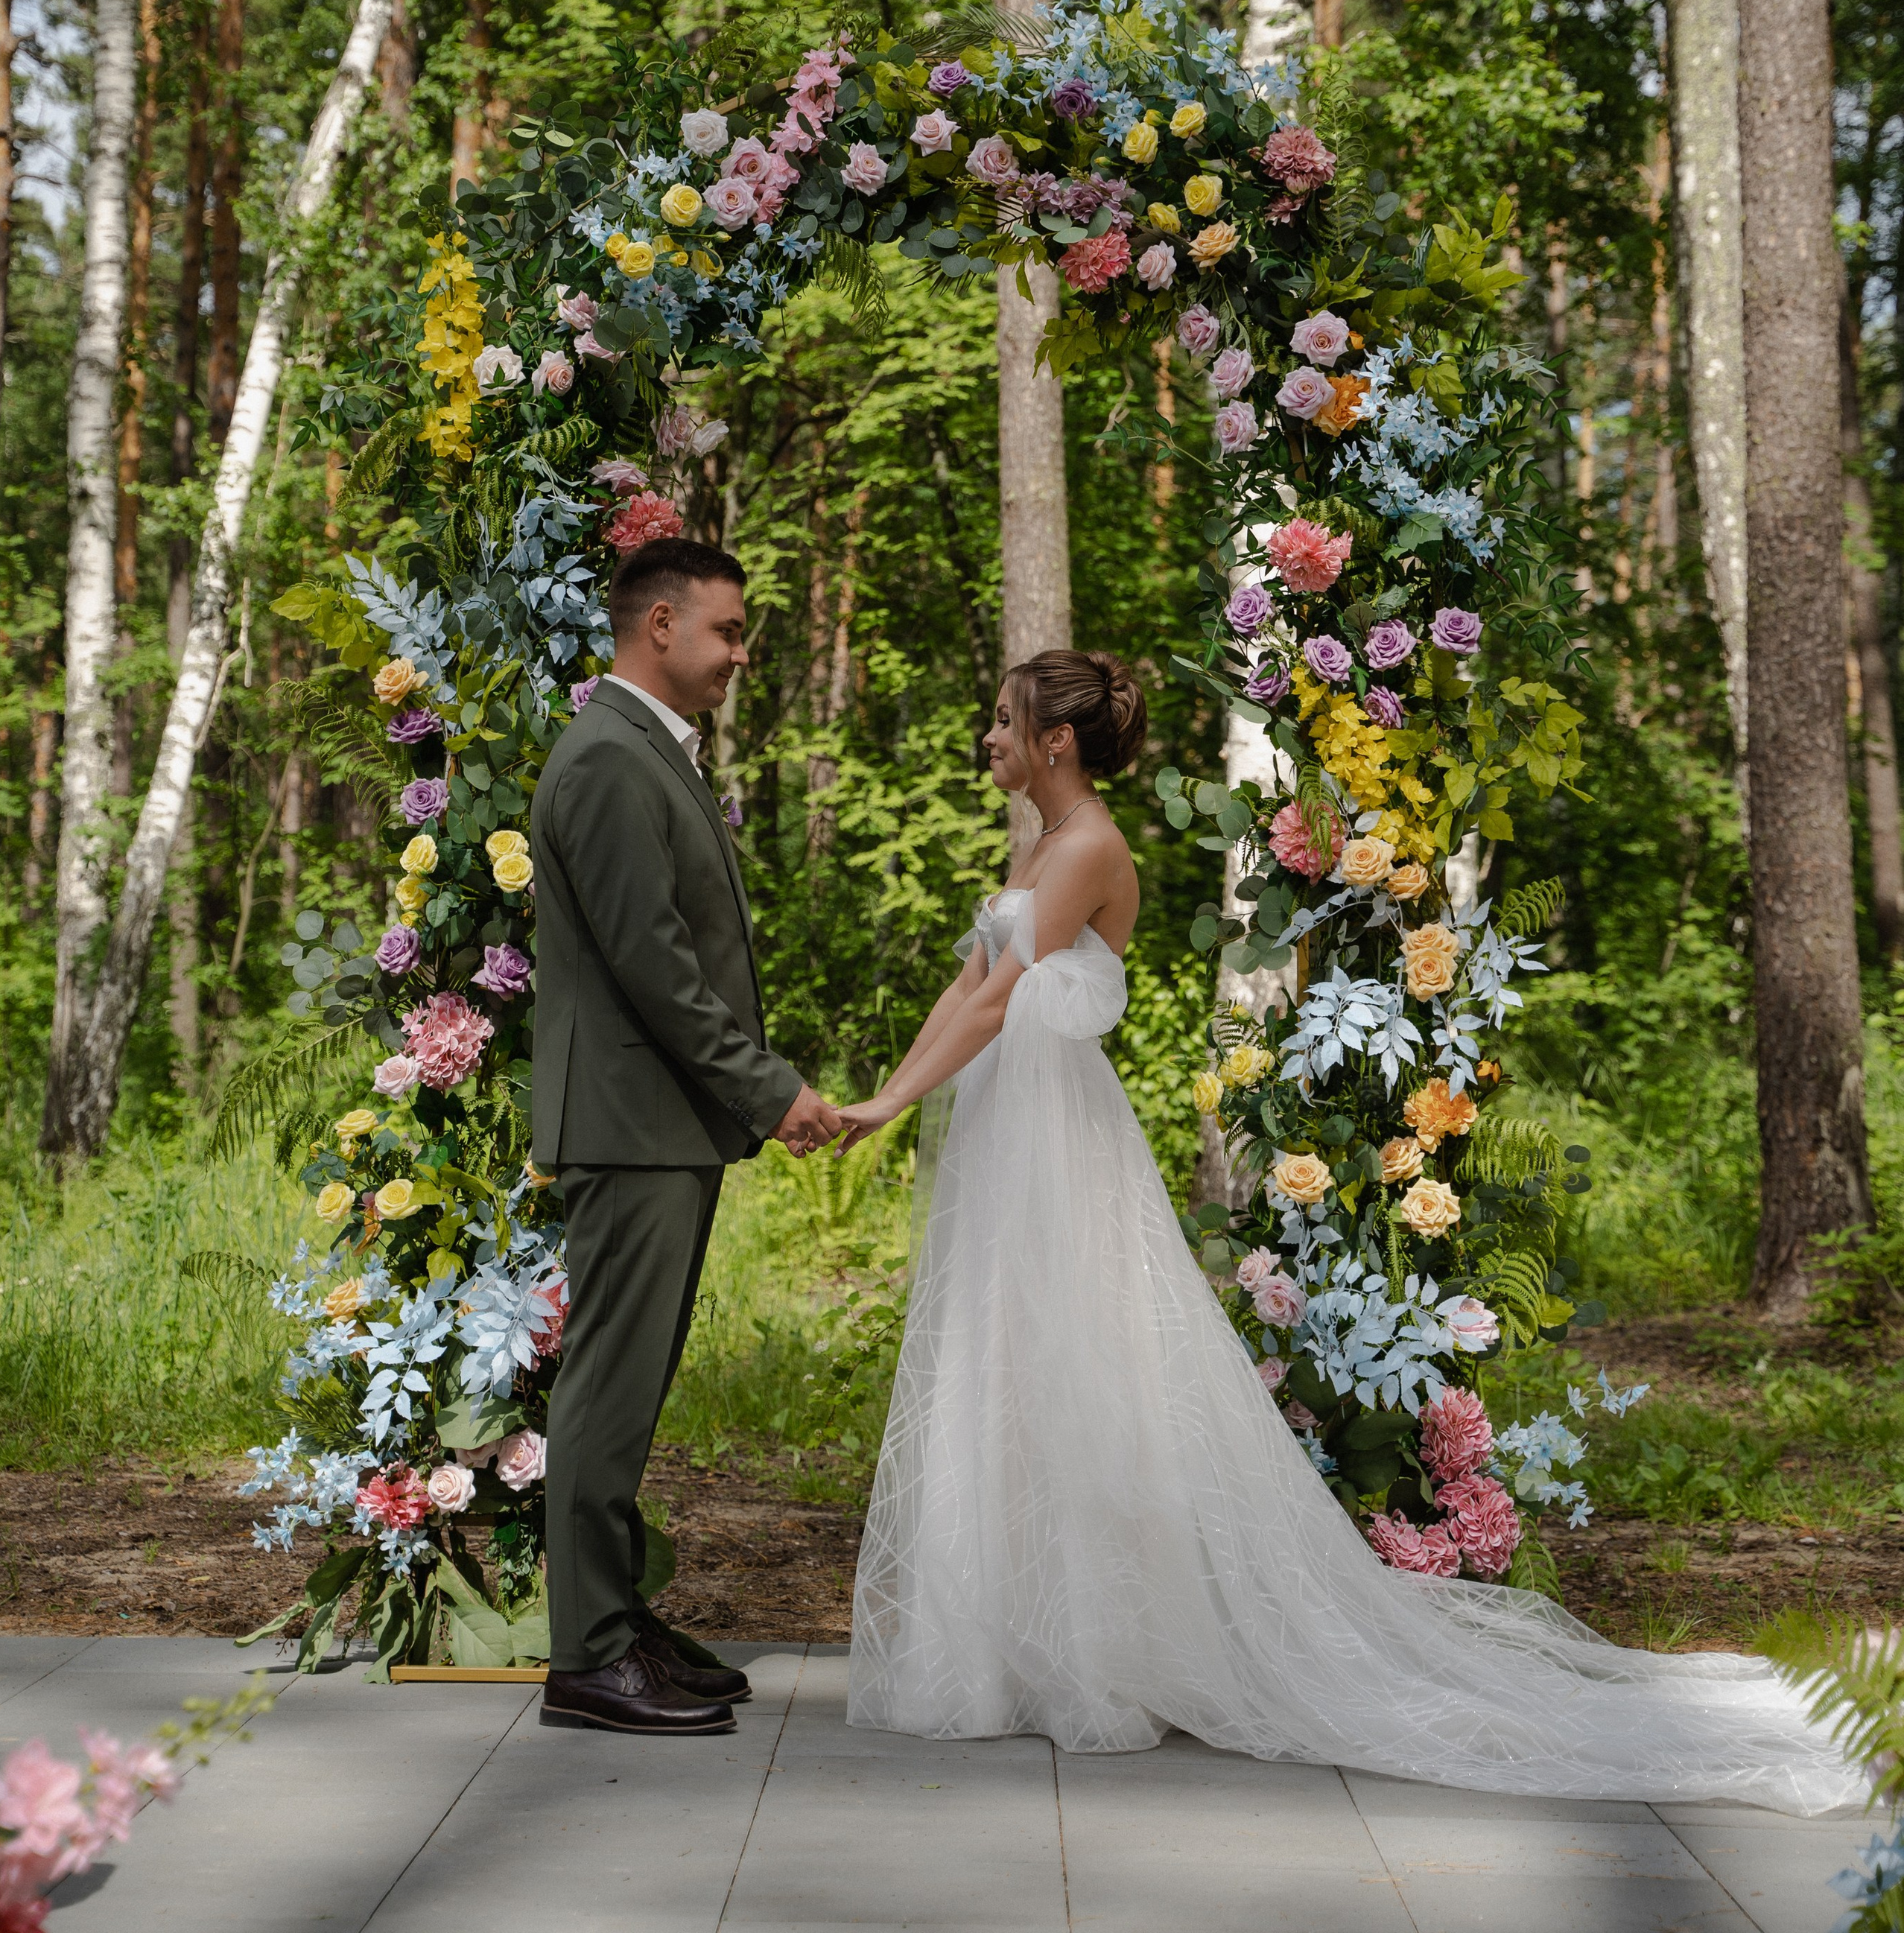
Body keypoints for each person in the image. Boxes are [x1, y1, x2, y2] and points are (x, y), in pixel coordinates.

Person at [833, 646, 1859, 1812]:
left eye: (1005, 722)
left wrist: (890, 1101)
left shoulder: (1089, 849)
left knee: (1087, 1364)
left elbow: (1004, 1000)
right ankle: (1006, 1639)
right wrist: (879, 1101)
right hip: (1008, 1124)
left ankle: (1103, 1644)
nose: (990, 738)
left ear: (1054, 742)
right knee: (1001, 1356)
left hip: (1059, 1138)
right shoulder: (1034, 843)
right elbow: (969, 980)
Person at [530, 536, 842, 1736]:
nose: (739, 654)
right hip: (633, 1123)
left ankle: (615, 1621)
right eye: (725, 631)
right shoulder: (611, 759)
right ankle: (588, 1654)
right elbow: (654, 968)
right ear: (658, 625)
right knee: (608, 1388)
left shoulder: (641, 748)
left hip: (658, 1123)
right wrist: (768, 1089)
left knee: (631, 1384)